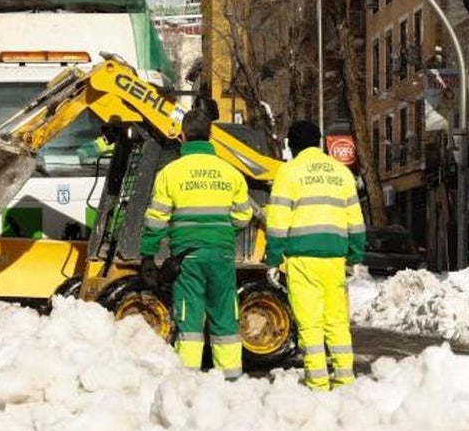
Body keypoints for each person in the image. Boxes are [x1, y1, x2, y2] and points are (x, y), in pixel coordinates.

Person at [139, 108, 253, 379]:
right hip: (222, 255)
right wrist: (221, 233)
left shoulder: (171, 173)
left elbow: (156, 218)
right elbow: (243, 215)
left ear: (182, 136)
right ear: (211, 135)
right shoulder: (230, 172)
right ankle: (231, 379)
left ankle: (187, 380)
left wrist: (148, 255)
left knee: (189, 320)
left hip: (186, 258)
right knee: (224, 317)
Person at [265, 120, 365, 391]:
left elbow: (277, 220)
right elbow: (355, 221)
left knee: (310, 324)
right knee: (336, 321)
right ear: (319, 142)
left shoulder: (289, 172)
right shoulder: (341, 173)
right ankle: (345, 380)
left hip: (302, 260)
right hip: (334, 259)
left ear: (292, 145)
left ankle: (318, 383)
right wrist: (354, 256)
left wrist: (273, 260)